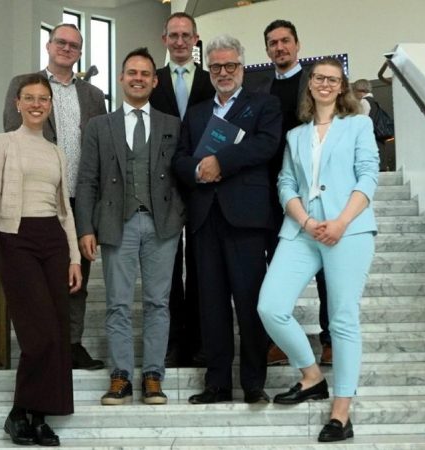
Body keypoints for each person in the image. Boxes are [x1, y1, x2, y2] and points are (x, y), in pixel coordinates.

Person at [257, 58, 379, 442]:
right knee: (270, 306)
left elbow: (368, 175)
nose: (325, 84)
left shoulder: (358, 125)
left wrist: (341, 221)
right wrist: (306, 221)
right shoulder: (296, 135)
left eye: (333, 79)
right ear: (309, 84)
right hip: (302, 229)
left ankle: (341, 412)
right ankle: (311, 376)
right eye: (319, 78)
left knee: (342, 320)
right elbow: (285, 183)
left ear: (341, 87)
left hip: (348, 229)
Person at [0, 73, 83, 447]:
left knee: (57, 330)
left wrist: (74, 258)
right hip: (15, 238)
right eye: (30, 98)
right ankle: (20, 412)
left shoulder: (56, 152)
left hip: (53, 239)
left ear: (50, 106)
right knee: (39, 333)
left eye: (43, 99)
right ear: (17, 104)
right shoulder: (3, 143)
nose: (37, 104)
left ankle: (37, 418)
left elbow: (65, 210)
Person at [172, 34, 281, 405]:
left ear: (242, 67)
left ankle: (253, 383)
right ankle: (217, 383)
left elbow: (266, 145)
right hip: (205, 219)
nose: (223, 72)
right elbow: (180, 158)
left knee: (250, 303)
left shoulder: (263, 104)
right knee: (211, 306)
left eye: (230, 65)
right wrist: (197, 171)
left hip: (246, 219)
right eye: (216, 66)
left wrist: (222, 161)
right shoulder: (197, 112)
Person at [75, 48, 184, 407]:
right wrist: (85, 228)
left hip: (162, 224)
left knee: (158, 303)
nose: (138, 78)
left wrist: (180, 215)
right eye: (132, 73)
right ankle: (120, 375)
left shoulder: (172, 124)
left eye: (145, 74)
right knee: (117, 303)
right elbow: (87, 180)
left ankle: (153, 376)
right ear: (121, 78)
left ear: (155, 81)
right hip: (115, 223)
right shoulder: (99, 126)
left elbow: (181, 174)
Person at [3, 23, 107, 371]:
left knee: (78, 275)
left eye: (73, 45)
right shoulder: (24, 85)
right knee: (38, 279)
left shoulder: (93, 96)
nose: (66, 48)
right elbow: (12, 134)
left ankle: (72, 343)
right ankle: (41, 343)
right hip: (39, 199)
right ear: (48, 45)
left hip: (82, 196)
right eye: (60, 42)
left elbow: (101, 147)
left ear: (80, 53)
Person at [247, 19, 332, 367]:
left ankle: (330, 339)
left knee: (326, 266)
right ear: (267, 50)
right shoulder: (259, 88)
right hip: (271, 191)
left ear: (297, 45)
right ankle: (279, 341)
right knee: (277, 266)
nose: (279, 47)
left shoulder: (315, 82)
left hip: (313, 187)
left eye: (285, 41)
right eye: (273, 43)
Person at [150, 12, 216, 368]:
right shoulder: (152, 80)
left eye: (185, 35)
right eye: (173, 35)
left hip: (204, 185)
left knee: (203, 265)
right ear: (164, 39)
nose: (179, 41)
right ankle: (174, 342)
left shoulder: (211, 79)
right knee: (168, 269)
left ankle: (201, 341)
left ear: (195, 39)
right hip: (162, 187)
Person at [353, 79, 394, 171]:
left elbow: (362, 122)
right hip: (378, 137)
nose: (354, 95)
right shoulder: (374, 102)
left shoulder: (364, 102)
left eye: (354, 91)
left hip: (371, 136)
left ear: (359, 90)